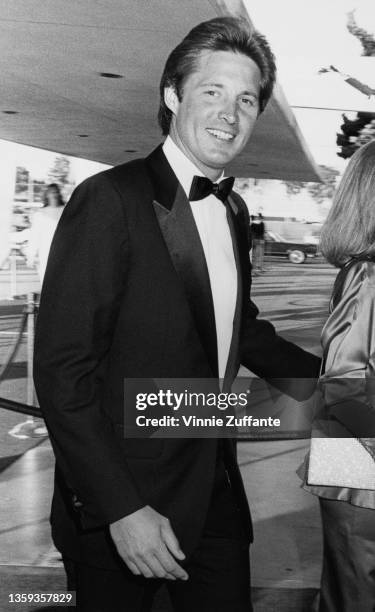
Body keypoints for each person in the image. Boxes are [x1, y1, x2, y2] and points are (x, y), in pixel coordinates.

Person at [34, 17, 320, 612]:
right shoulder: (110, 199)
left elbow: (241, 329)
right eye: (212, 92)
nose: (229, 114)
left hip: (213, 495)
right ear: (173, 95)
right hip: (126, 511)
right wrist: (121, 508)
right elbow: (64, 375)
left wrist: (342, 380)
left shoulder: (234, 210)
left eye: (246, 99)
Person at [301, 141, 375, 611]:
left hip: (356, 461)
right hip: (359, 465)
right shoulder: (368, 277)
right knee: (358, 594)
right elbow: (346, 384)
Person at [27, 183, 65, 283]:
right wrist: (31, 255)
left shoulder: (66, 211)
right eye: (52, 192)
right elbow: (35, 236)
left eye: (56, 192)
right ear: (47, 195)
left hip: (63, 251)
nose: (54, 195)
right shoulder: (40, 214)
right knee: (46, 281)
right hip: (46, 252)